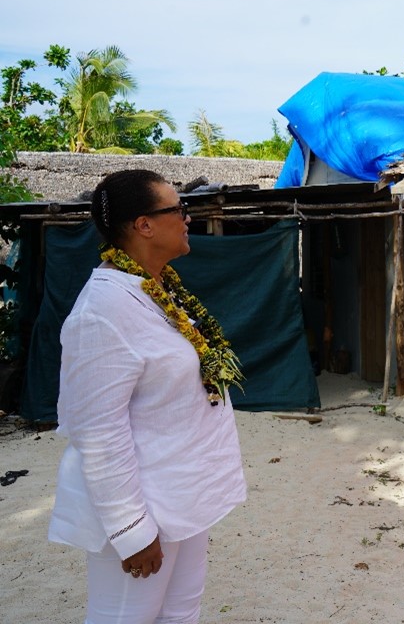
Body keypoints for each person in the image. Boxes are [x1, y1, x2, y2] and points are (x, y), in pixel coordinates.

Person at [48, 169, 246, 624]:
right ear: (144, 225)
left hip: (182, 495)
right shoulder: (102, 312)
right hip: (145, 506)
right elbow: (96, 432)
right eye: (178, 208)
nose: (187, 217)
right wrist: (131, 529)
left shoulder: (154, 290)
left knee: (180, 613)